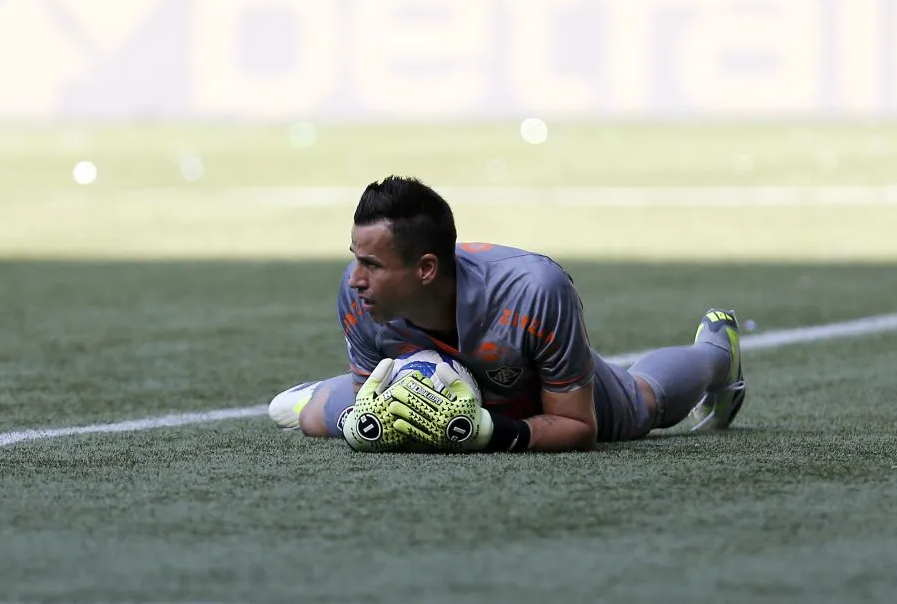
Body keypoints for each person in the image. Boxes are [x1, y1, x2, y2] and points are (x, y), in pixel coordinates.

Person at [268, 175, 746, 452]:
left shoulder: (535, 291)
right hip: (428, 381)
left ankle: (717, 352)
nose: (355, 277)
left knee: (644, 402)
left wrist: (488, 432)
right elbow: (371, 400)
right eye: (355, 257)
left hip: (532, 399)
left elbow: (579, 429)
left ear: (426, 268)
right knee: (317, 418)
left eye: (371, 264)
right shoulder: (357, 296)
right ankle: (318, 397)